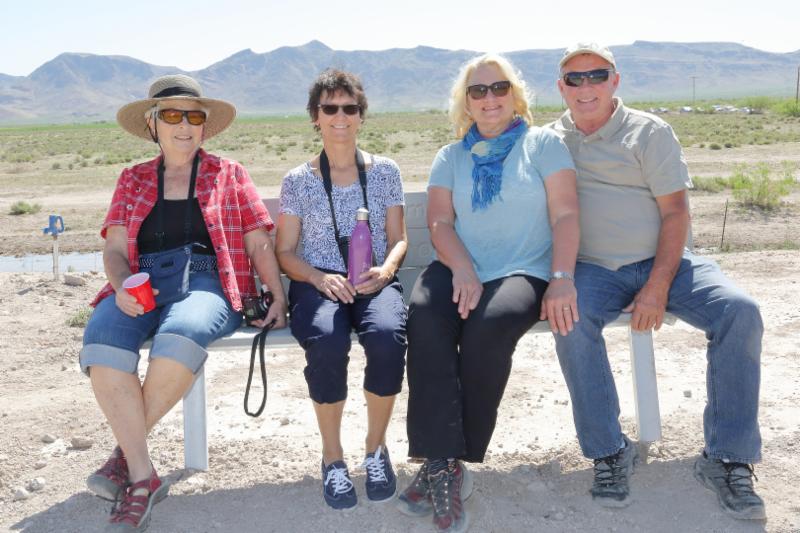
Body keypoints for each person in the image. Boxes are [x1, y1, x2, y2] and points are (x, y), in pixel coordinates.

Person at [548, 42, 765, 519]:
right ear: (561, 87)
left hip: (667, 260)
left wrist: (658, 285)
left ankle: (728, 457)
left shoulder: (649, 132)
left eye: (597, 75)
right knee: (570, 319)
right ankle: (609, 451)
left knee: (740, 312)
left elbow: (675, 213)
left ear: (615, 81)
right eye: (575, 78)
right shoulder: (549, 141)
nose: (586, 87)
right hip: (595, 268)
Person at [79, 74, 287, 531]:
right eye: (172, 115)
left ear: (205, 125)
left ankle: (128, 464)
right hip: (141, 282)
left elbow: (257, 241)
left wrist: (277, 294)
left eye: (194, 116)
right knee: (103, 337)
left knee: (183, 333)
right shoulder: (132, 179)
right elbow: (114, 250)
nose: (184, 125)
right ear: (152, 124)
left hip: (208, 282)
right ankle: (143, 473)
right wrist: (121, 286)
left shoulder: (229, 173)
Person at [398, 54, 579, 533]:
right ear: (466, 102)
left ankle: (448, 459)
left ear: (515, 95)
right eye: (477, 91)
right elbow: (440, 222)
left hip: (523, 270)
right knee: (423, 316)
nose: (489, 98)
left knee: (488, 328)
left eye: (499, 88)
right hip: (457, 266)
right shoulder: (451, 157)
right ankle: (444, 463)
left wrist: (562, 276)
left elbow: (565, 214)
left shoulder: (543, 145)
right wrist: (462, 268)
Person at [275, 69, 408, 510]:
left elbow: (399, 238)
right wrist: (318, 278)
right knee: (327, 342)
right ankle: (332, 459)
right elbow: (285, 251)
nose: (340, 116)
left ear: (361, 116)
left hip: (374, 280)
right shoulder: (298, 180)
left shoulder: (385, 171)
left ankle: (375, 449)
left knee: (387, 338)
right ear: (315, 116)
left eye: (349, 108)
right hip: (320, 283)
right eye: (329, 108)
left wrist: (386, 271)